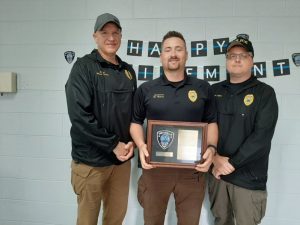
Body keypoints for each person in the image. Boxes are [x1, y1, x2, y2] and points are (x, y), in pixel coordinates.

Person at [130, 31, 218, 225]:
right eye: (168, 49)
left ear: (186, 54)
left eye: (178, 49)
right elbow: (135, 122)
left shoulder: (203, 88)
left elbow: (212, 121)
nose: (173, 54)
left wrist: (211, 149)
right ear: (161, 56)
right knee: (152, 222)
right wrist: (142, 145)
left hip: (192, 170)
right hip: (155, 170)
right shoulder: (146, 89)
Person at [65, 13, 137, 225]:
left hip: (120, 162)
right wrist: (113, 144)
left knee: (115, 219)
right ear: (95, 36)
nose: (111, 38)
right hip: (91, 163)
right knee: (87, 221)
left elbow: (132, 115)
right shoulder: (83, 68)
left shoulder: (128, 71)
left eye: (115, 33)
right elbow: (79, 116)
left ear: (121, 36)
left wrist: (132, 143)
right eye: (105, 33)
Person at [208, 34, 278, 225]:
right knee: (221, 221)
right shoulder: (213, 91)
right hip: (218, 176)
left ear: (252, 60)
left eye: (243, 55)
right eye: (232, 55)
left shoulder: (265, 93)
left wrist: (231, 163)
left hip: (249, 179)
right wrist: (214, 159)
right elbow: (204, 129)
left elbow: (261, 137)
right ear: (226, 61)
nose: (237, 59)